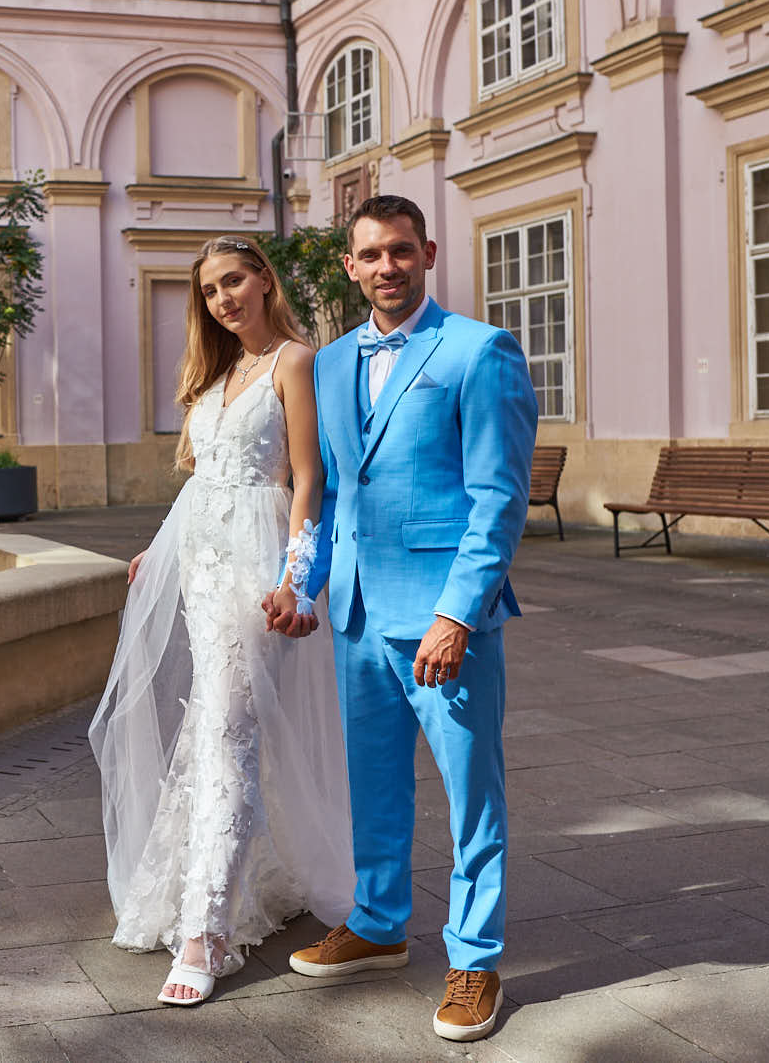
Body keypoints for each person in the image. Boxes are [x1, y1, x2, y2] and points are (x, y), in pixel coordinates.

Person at [267, 195, 536, 1042]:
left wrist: (458, 615)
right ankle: (379, 924)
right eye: (372, 254)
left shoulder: (478, 351)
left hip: (443, 621)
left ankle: (475, 958)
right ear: (350, 267)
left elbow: (498, 499)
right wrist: (302, 585)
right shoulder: (330, 363)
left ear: (427, 253)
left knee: (472, 795)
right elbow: (327, 493)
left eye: (401, 251)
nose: (388, 266)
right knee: (374, 785)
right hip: (354, 612)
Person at [90, 235, 355, 1008]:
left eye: (233, 281)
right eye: (210, 291)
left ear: (264, 279)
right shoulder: (215, 374)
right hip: (200, 565)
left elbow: (308, 479)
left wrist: (295, 582)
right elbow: (203, 481)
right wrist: (158, 548)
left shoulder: (295, 362)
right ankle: (243, 880)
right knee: (215, 724)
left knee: (228, 730)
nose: (223, 299)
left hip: (257, 567)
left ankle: (206, 931)